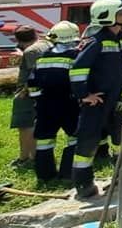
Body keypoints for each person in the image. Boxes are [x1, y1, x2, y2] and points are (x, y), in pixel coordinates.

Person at [69, 0, 122, 197]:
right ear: (108, 16)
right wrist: (84, 95)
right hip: (98, 101)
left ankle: (121, 177)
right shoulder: (95, 41)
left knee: (121, 138)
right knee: (88, 141)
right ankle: (84, 184)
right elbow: (77, 70)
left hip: (117, 98)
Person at [29, 21, 82, 183]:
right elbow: (79, 80)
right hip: (69, 104)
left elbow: (32, 83)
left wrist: (38, 101)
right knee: (74, 138)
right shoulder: (75, 57)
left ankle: (45, 175)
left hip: (45, 105)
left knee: (44, 141)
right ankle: (67, 174)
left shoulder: (42, 58)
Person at [11, 25, 47, 166]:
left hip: (28, 94)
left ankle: (28, 158)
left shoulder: (31, 51)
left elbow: (35, 72)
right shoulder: (45, 44)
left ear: (18, 40)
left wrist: (24, 91)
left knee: (25, 126)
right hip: (43, 93)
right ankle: (32, 156)